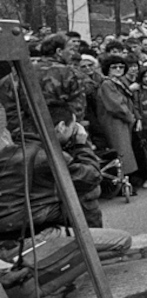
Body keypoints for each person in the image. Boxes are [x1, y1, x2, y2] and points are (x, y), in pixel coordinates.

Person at [0, 100, 132, 264]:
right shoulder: (47, 156)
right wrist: (81, 145)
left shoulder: (10, 149)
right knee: (122, 241)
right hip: (34, 238)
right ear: (61, 127)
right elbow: (91, 177)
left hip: (6, 239)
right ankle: (53, 269)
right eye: (73, 126)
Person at [96, 55, 139, 187]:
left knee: (125, 151)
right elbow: (116, 106)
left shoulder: (119, 82)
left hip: (123, 121)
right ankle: (122, 183)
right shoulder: (107, 84)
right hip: (115, 122)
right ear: (107, 69)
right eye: (114, 67)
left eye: (121, 67)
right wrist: (130, 117)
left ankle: (125, 181)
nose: (118, 69)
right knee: (121, 151)